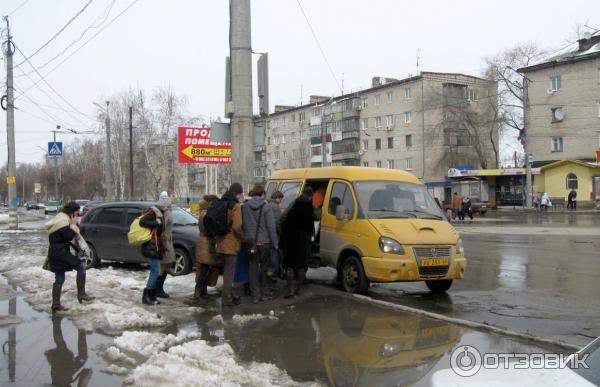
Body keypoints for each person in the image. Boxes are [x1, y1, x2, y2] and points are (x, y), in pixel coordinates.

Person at [45, 201, 95, 313]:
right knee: (81, 267)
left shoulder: (61, 219)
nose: (77, 216)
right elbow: (68, 236)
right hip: (61, 253)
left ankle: (56, 305)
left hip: (56, 253)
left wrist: (73, 224)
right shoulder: (63, 222)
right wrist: (73, 224)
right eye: (76, 213)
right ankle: (81, 294)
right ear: (72, 213)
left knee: (59, 278)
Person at [243, 185, 279, 303]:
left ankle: (255, 296)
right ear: (262, 194)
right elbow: (271, 226)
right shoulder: (266, 207)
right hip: (264, 243)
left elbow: (243, 225)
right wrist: (275, 243)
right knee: (264, 268)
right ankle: (264, 294)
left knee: (252, 269)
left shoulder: (245, 206)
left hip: (251, 243)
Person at [280, 186, 315, 298]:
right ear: (310, 196)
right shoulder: (310, 208)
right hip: (303, 241)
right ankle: (298, 289)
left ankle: (290, 290)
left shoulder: (293, 205)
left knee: (289, 265)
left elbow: (283, 218)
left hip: (291, 239)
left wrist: (284, 234)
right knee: (301, 265)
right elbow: (311, 226)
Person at [215, 182, 244, 307]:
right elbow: (237, 227)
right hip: (231, 244)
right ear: (237, 193)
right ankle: (227, 300)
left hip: (220, 242)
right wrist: (243, 237)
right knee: (229, 274)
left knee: (226, 272)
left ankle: (228, 296)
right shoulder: (235, 206)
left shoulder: (220, 203)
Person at [45, 316, 92, 386]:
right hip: (66, 372)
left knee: (62, 347)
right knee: (81, 356)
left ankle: (56, 322)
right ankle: (81, 331)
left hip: (61, 370)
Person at [189, 195, 219, 304]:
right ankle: (198, 292)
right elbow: (209, 229)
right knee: (204, 270)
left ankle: (202, 291)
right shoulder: (206, 215)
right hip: (206, 244)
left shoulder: (203, 214)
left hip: (203, 243)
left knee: (205, 269)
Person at [139, 203, 163, 305]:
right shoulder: (153, 212)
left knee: (155, 271)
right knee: (155, 271)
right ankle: (147, 296)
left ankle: (152, 296)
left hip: (155, 246)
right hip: (151, 246)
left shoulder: (160, 212)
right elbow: (142, 221)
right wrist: (156, 223)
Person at [155, 191, 176, 299]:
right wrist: (166, 246)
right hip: (165, 241)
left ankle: (159, 288)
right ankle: (158, 289)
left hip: (167, 240)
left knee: (165, 265)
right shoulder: (165, 211)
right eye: (172, 196)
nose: (174, 198)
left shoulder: (167, 210)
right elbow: (163, 230)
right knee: (162, 266)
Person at [267, 191, 284, 281]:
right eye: (281, 198)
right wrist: (281, 232)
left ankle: (268, 275)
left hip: (267, 236)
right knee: (274, 258)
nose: (281, 200)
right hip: (274, 236)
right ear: (277, 197)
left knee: (268, 259)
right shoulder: (276, 207)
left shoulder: (268, 205)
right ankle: (271, 277)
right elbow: (277, 223)